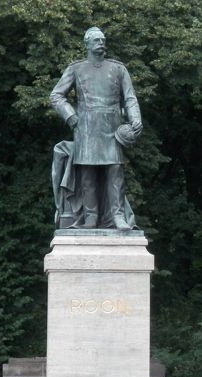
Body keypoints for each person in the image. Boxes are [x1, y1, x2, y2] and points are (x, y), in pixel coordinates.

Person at [50, 27, 142, 230]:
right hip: (86, 127)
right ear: (87, 44)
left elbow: (130, 98)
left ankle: (118, 216)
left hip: (112, 127)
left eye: (103, 40)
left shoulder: (118, 68)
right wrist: (71, 116)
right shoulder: (76, 68)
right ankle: (90, 218)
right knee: (88, 174)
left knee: (115, 171)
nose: (101, 43)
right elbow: (56, 95)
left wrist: (135, 120)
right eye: (96, 40)